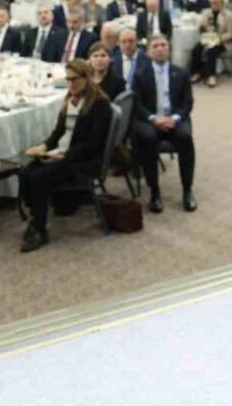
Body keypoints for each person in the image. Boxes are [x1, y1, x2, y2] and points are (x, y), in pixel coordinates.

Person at [18, 58, 113, 252]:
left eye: (74, 79)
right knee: (25, 172)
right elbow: (58, 132)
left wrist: (64, 156)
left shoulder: (100, 104)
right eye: (67, 80)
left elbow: (93, 144)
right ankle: (36, 218)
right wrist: (44, 147)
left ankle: (40, 229)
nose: (70, 84)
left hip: (84, 160)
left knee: (38, 177)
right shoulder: (69, 98)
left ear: (86, 78)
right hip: (64, 153)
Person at [131, 36, 195, 214]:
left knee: (185, 137)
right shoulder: (140, 74)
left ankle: (187, 189)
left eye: (163, 45)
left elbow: (187, 103)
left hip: (174, 118)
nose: (159, 49)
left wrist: (174, 118)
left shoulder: (181, 73)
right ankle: (154, 191)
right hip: (151, 119)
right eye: (155, 46)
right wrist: (153, 118)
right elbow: (137, 104)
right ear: (148, 52)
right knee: (148, 138)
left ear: (169, 48)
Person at [193, 0, 232, 88]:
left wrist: (219, 38)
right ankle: (197, 72)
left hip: (221, 41)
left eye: (216, 3)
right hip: (207, 38)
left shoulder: (228, 15)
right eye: (212, 3)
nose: (214, 5)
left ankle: (211, 76)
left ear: (222, 3)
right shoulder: (206, 12)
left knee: (211, 51)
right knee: (196, 49)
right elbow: (201, 28)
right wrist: (204, 24)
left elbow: (230, 33)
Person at [112, 27, 150, 91]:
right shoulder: (113, 61)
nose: (127, 45)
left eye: (131, 41)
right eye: (124, 41)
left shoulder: (147, 59)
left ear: (137, 41)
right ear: (118, 43)